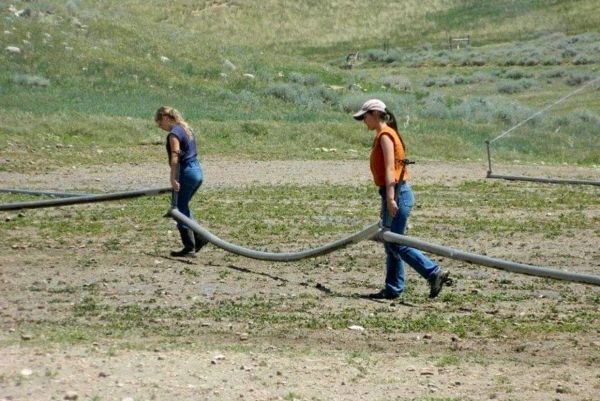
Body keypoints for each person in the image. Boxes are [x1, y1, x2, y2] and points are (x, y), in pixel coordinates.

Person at [353, 99, 451, 299]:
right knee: (390, 242)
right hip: (393, 193)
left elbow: (390, 169)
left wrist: (390, 199)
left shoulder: (385, 136)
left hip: (398, 193)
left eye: (365, 116)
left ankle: (433, 273)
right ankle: (393, 288)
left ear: (375, 114)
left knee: (396, 242)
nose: (364, 120)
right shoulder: (384, 134)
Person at [155, 106, 207, 257]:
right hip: (196, 170)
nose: (159, 126)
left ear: (165, 117)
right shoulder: (186, 128)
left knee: (178, 209)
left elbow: (175, 156)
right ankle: (199, 238)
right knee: (182, 206)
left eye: (159, 122)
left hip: (185, 172)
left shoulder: (174, 133)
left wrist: (172, 178)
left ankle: (191, 245)